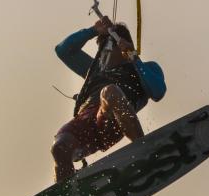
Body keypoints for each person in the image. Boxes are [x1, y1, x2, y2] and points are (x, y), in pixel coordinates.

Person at [51, 16, 166, 183]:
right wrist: (93, 31)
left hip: (110, 120)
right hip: (85, 122)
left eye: (106, 51)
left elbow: (157, 92)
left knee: (109, 92)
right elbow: (63, 50)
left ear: (121, 48)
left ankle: (143, 149)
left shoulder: (145, 68)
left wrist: (134, 57)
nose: (102, 58)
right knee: (60, 147)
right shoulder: (96, 71)